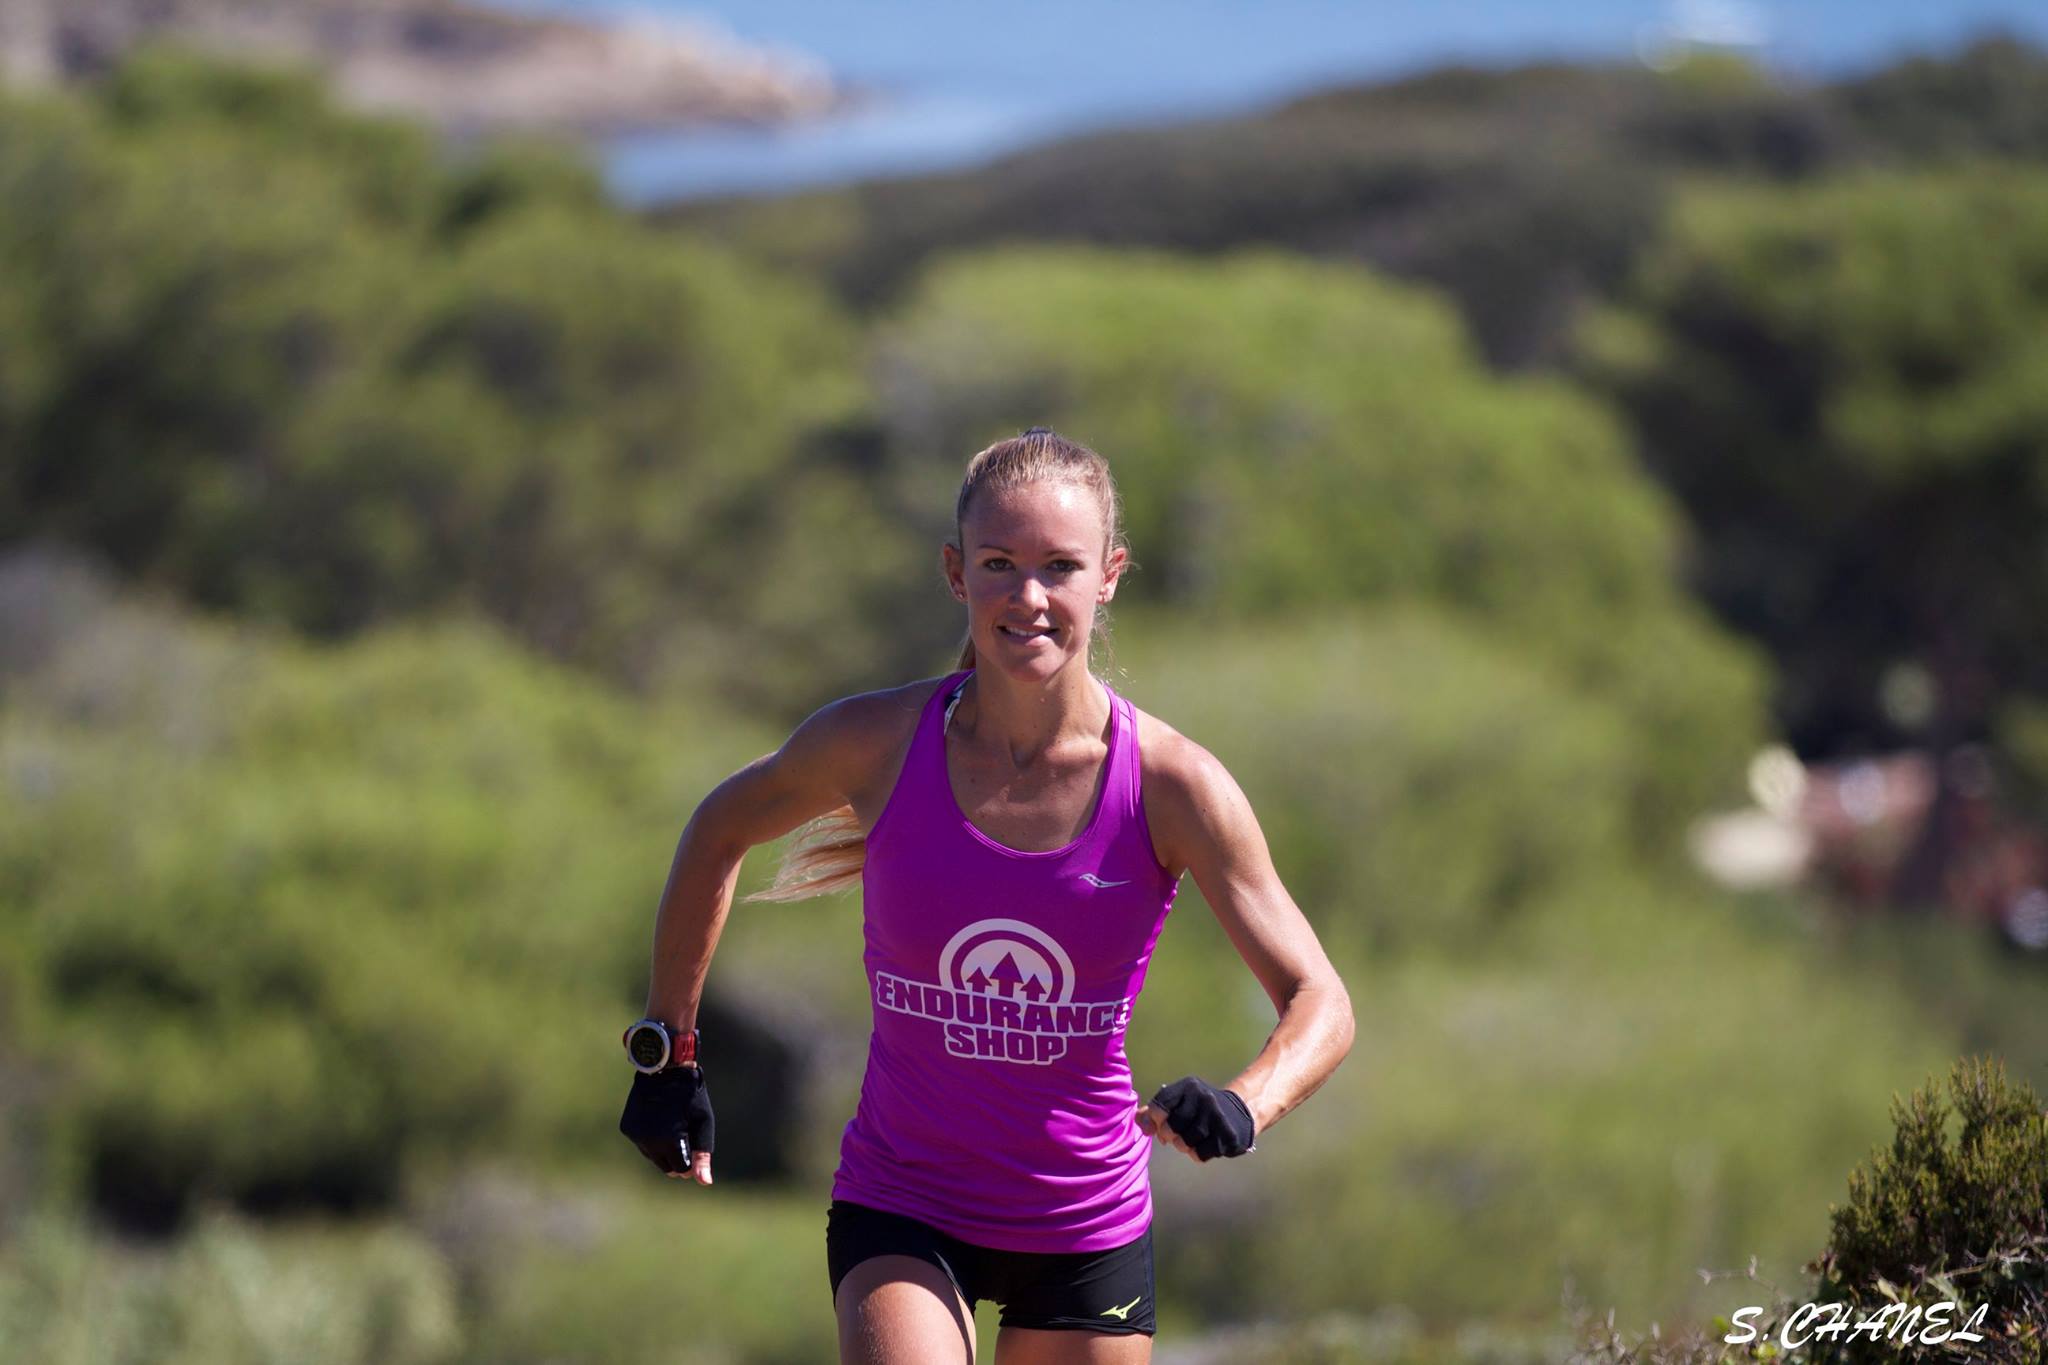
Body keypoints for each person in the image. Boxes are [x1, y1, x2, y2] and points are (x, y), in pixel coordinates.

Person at [619, 428, 1355, 1364]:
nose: (1030, 597)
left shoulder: (1172, 785)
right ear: (955, 572)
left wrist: (1247, 1104)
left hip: (1085, 1220)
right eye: (1000, 564)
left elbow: (1321, 1000)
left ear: (1112, 573)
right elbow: (718, 828)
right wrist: (667, 1053)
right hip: (905, 1198)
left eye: (1061, 566)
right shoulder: (877, 742)